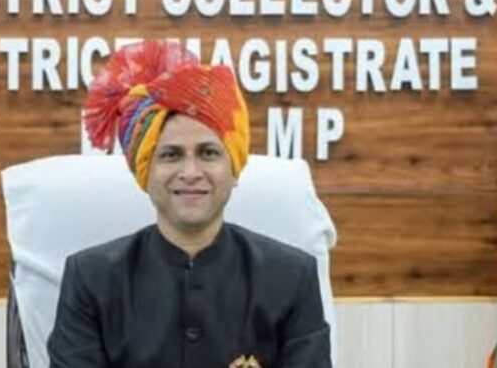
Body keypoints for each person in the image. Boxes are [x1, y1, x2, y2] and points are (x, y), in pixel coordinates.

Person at [48, 40, 331, 368]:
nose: (191, 172)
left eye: (208, 153)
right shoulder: (91, 279)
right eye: (171, 155)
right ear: (145, 172)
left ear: (234, 168)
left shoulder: (291, 277)